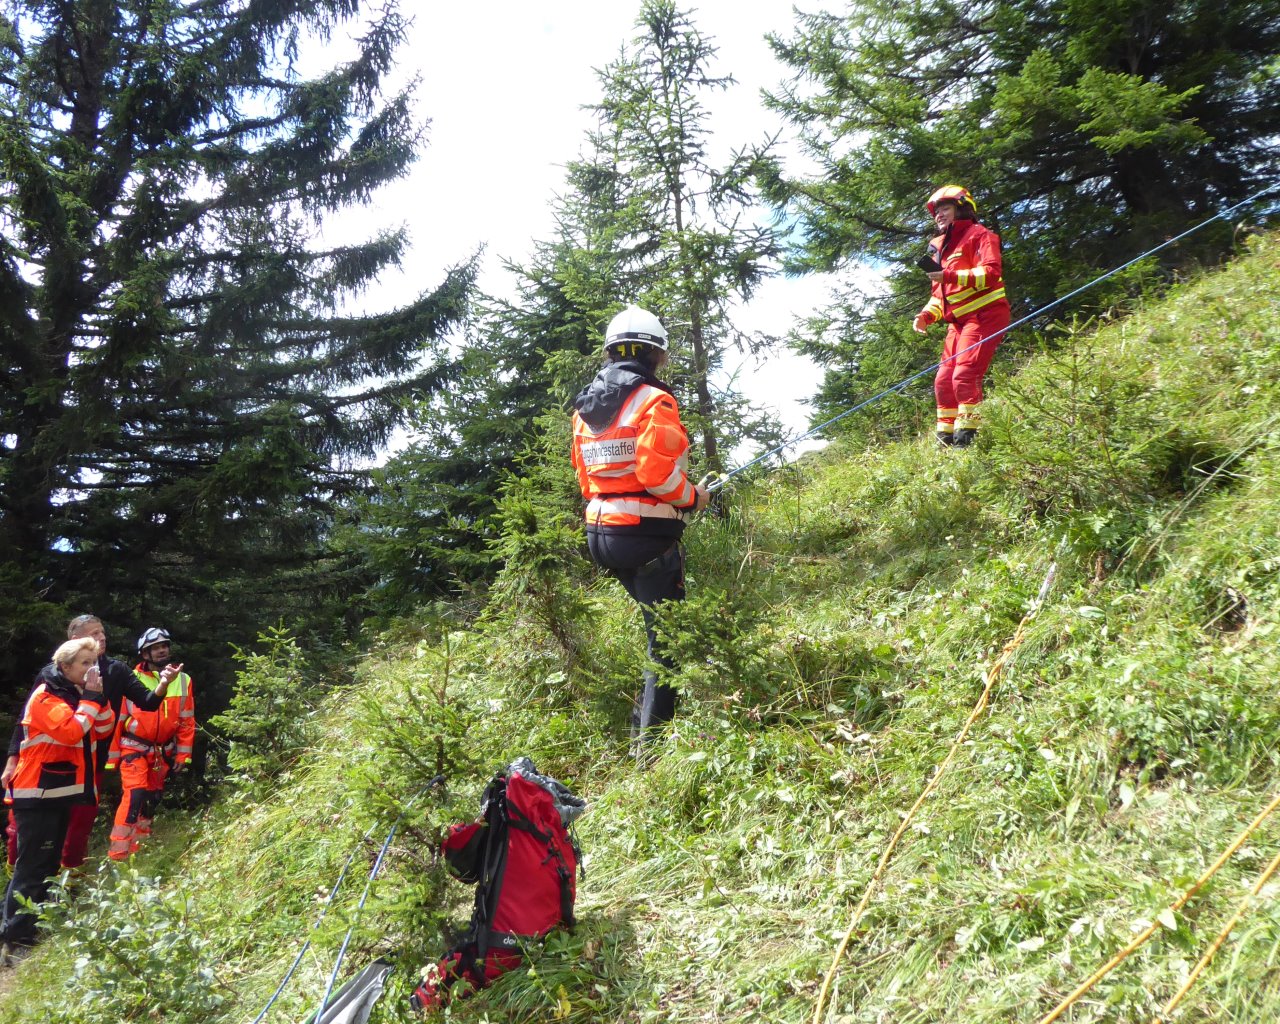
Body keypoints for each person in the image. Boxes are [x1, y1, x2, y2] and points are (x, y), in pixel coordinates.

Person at [571, 305, 709, 750]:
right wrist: (694, 497)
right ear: (655, 354)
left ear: (612, 352)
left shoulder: (585, 409)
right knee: (665, 641)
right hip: (644, 537)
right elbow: (656, 475)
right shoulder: (654, 400)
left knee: (658, 633)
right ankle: (650, 748)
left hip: (601, 534)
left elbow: (586, 479)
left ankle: (647, 723)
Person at [2, 615, 172, 870]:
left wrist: (164, 684)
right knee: (26, 827)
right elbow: (25, 720)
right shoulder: (52, 674)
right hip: (48, 765)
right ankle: (19, 875)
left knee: (79, 825)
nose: (101, 638)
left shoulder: (115, 670)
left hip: (90, 763)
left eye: (102, 632)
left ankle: (69, 880)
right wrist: (12, 759)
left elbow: (147, 703)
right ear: (75, 641)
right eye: (94, 634)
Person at [0, 637, 114, 957]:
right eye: (85, 663)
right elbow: (70, 732)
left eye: (94, 663)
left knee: (47, 865)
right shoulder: (46, 695)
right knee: (32, 868)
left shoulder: (78, 694)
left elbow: (104, 727)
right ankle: (16, 940)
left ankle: (28, 928)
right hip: (36, 795)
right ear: (64, 666)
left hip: (60, 793)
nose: (91, 669)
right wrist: (90, 700)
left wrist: (97, 697)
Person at [912, 184, 1012, 447]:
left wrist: (949, 275)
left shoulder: (980, 234)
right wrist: (925, 316)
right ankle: (945, 439)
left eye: (945, 208)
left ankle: (967, 438)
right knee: (943, 381)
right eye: (936, 212)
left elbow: (991, 273)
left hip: (984, 315)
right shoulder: (938, 247)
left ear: (962, 208)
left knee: (964, 374)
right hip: (957, 325)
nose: (939, 215)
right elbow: (940, 296)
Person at [105, 628, 194, 861]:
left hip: (161, 751)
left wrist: (183, 755)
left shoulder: (183, 680)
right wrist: (112, 757)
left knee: (151, 798)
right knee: (134, 794)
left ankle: (139, 849)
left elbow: (186, 720)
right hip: (133, 747)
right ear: (145, 654)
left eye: (164, 646)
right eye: (156, 648)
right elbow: (118, 719)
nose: (162, 650)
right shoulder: (131, 678)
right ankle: (119, 853)